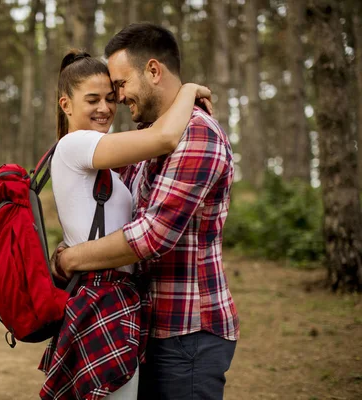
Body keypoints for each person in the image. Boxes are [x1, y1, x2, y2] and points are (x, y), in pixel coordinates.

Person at [56, 23, 239, 400]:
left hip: (187, 333)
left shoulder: (197, 133)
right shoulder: (150, 139)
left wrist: (72, 257)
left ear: (153, 71)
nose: (117, 99)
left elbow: (152, 235)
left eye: (120, 85)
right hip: (145, 326)